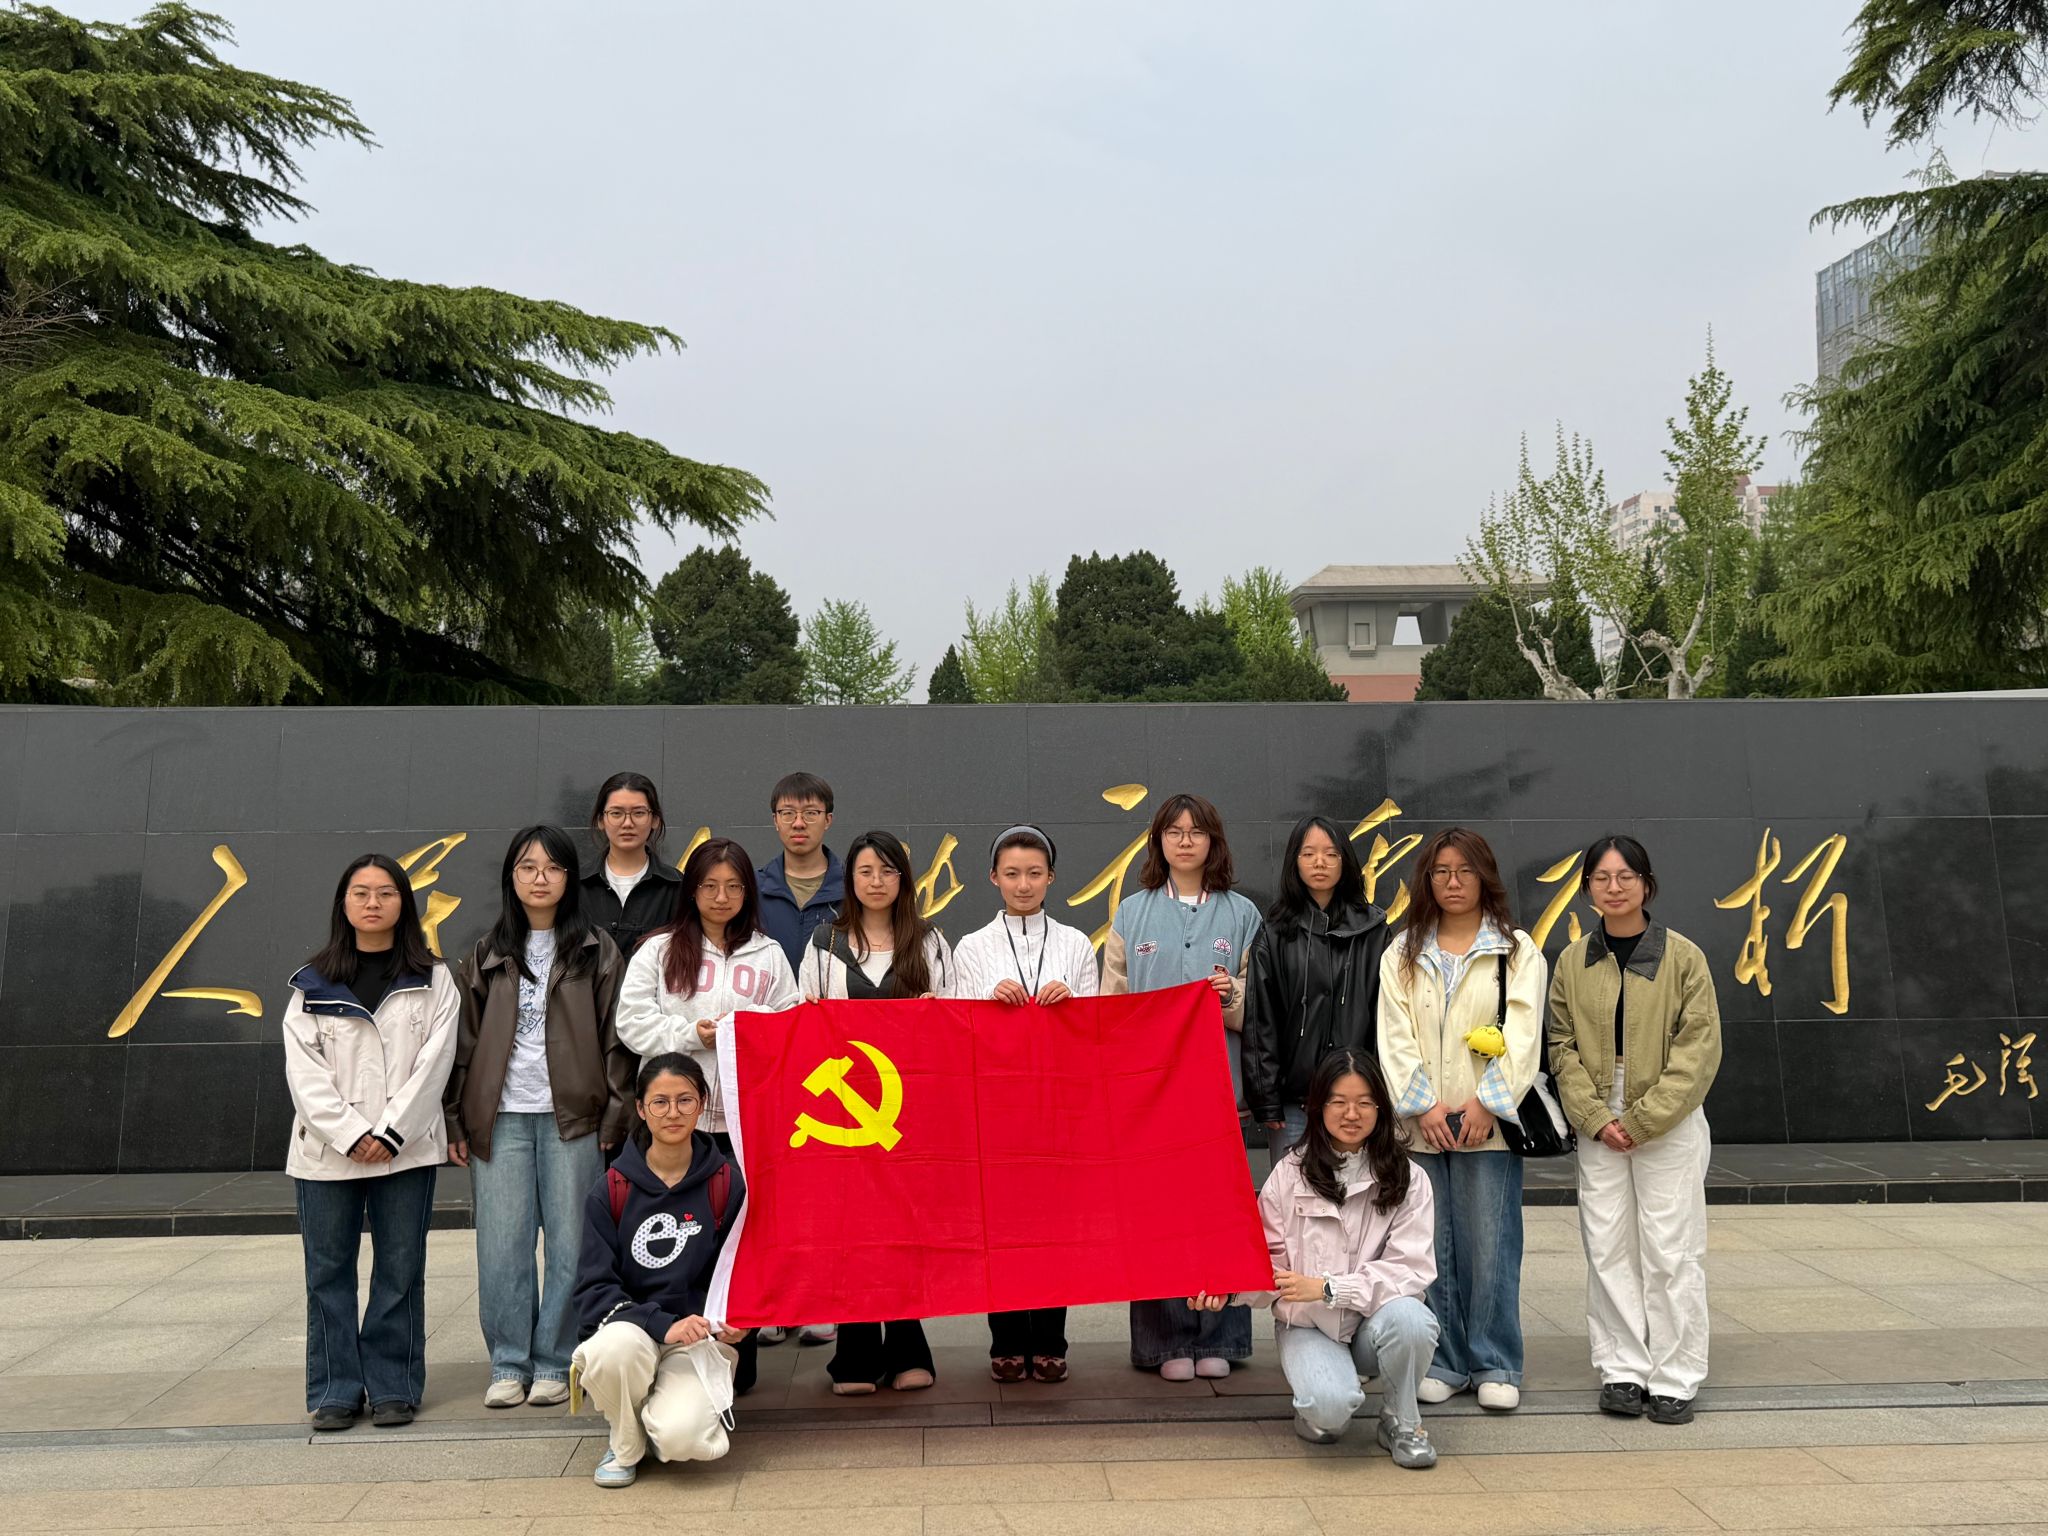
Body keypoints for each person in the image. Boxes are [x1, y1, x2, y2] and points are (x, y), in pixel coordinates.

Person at [447, 825, 634, 1410]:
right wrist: (456, 1120)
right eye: (527, 867)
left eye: (552, 868)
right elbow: (462, 1044)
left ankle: (556, 1359)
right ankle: (508, 1361)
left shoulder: (596, 949)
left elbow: (617, 1041)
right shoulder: (487, 952)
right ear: (511, 877)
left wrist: (614, 1119)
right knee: (502, 1246)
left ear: (569, 879)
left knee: (571, 1245)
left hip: (573, 1119)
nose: (539, 878)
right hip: (500, 1118)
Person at [1189, 1049, 1439, 1467]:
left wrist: (1328, 1288)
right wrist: (1228, 1290)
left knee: (1413, 1320)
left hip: (1373, 1324)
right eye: (1338, 1102)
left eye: (1364, 1102)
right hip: (1308, 1326)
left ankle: (1402, 1420)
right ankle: (1322, 1401)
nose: (1351, 1114)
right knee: (1328, 1415)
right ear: (1318, 1106)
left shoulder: (1410, 1178)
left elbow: (1410, 1270)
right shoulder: (1290, 1173)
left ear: (1381, 1107)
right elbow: (1267, 1262)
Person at [1548, 834, 1722, 1426]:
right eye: (1601, 878)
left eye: (1626, 877)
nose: (1614, 887)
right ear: (1587, 889)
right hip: (1598, 1112)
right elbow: (1560, 1045)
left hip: (1666, 1114)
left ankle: (1675, 1376)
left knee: (1672, 1249)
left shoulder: (1683, 957)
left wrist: (1644, 1119)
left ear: (1647, 885)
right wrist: (1597, 1118)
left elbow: (1699, 1050)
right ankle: (1622, 1369)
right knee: (1607, 1246)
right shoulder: (1574, 960)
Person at [282, 854, 459, 1432]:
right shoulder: (311, 982)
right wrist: (352, 1133)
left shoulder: (434, 979)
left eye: (385, 892)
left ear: (404, 902)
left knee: (399, 1270)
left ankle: (392, 1386)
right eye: (361, 892)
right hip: (326, 1153)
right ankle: (335, 1390)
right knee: (327, 1273)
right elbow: (303, 1072)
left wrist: (390, 1132)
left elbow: (436, 1063)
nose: (373, 902)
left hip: (404, 1151)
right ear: (344, 903)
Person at [615, 837, 798, 1385]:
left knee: (740, 1241)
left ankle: (739, 1362)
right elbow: (631, 1022)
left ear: (748, 893)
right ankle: (673, 1349)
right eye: (711, 886)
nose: (722, 897)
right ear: (692, 891)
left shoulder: (768, 953)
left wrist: (763, 1030)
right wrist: (691, 1034)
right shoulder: (660, 950)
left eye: (734, 886)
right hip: (677, 1125)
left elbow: (789, 1024)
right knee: (681, 1238)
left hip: (744, 1125)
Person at [1376, 827, 1544, 1413]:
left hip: (1486, 1126)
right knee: (1430, 1247)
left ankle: (1496, 1361)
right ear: (1427, 880)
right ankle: (1444, 1360)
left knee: (1490, 1246)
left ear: (1484, 876)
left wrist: (1485, 1103)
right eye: (1441, 871)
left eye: (1465, 870)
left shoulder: (1515, 950)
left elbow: (1523, 1034)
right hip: (1421, 1127)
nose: (1453, 882)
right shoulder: (1402, 952)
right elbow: (1393, 1035)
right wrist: (1422, 1106)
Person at [1101, 793, 1263, 1382]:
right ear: (1159, 841)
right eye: (1174, 831)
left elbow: (1259, 1000)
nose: (1186, 840)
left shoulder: (1243, 914)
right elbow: (1113, 1004)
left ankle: (1221, 1336)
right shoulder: (1132, 913)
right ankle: (1163, 1340)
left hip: (1221, 1089)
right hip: (1151, 1096)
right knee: (1157, 1217)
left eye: (1197, 831)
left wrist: (1232, 996)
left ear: (1214, 841)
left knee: (1221, 1212)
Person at [799, 829, 955, 1394]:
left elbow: (955, 1020)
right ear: (850, 879)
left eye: (888, 871)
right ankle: (856, 1352)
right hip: (846, 1119)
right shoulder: (824, 943)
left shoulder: (930, 942)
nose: (876, 881)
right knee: (854, 1230)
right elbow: (803, 1020)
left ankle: (910, 1345)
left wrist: (936, 1013)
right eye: (865, 871)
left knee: (905, 1228)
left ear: (903, 880)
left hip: (910, 1115)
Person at [953, 824, 1099, 1384]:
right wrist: (988, 1002)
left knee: (1054, 1226)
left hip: (1059, 1106)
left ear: (1051, 878)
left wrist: (1072, 1002)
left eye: (1034, 873)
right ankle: (1007, 1340)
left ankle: (1052, 1341)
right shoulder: (972, 946)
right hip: (995, 1108)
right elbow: (957, 1022)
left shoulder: (1076, 943)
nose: (1023, 884)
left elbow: (1095, 1025)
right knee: (1003, 1228)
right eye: (1012, 873)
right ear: (993, 877)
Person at [572, 1053, 750, 1488]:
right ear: (640, 1108)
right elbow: (593, 1290)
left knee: (682, 1440)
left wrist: (743, 1320)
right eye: (660, 1102)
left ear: (702, 1104)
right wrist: (660, 1324)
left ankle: (654, 1415)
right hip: (633, 1331)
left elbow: (744, 1271)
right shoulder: (611, 1189)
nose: (673, 1113)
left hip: (697, 1339)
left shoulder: (727, 1183)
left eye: (685, 1100)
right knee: (613, 1351)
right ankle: (625, 1442)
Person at [1243, 814, 1393, 1164]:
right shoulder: (1275, 931)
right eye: (1308, 853)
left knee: (1356, 1192)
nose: (1319, 862)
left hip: (1358, 1100)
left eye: (1330, 853)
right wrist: (1266, 1097)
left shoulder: (1373, 931)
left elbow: (1388, 1018)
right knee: (1296, 1192)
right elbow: (1261, 1019)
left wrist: (1380, 1092)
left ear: (1345, 860)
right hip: (1295, 1101)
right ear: (1294, 862)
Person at [581, 771, 682, 959]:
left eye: (639, 813)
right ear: (601, 820)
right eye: (616, 813)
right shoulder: (577, 886)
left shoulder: (675, 887)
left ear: (655, 819)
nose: (627, 823)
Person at [757, 771, 844, 972]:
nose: (798, 823)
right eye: (788, 813)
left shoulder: (853, 888)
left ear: (828, 820)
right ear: (775, 820)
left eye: (810, 813)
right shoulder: (753, 889)